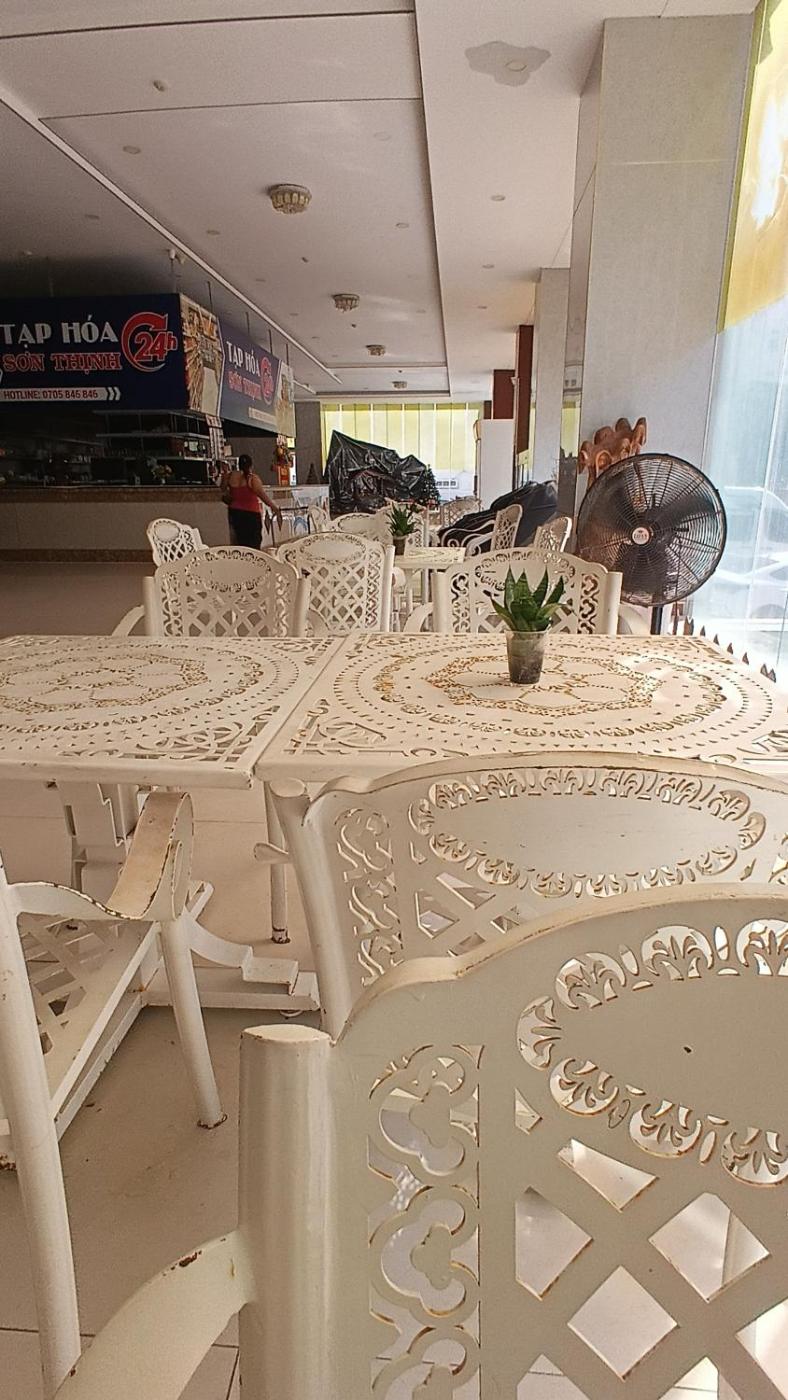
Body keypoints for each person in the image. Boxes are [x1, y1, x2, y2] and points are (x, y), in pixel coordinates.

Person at [220, 453, 283, 549]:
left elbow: (222, 489)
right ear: (251, 466)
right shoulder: (252, 479)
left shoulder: (231, 476)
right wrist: (274, 507)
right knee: (254, 543)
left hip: (235, 513)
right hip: (251, 514)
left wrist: (225, 473)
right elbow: (263, 496)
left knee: (240, 542)